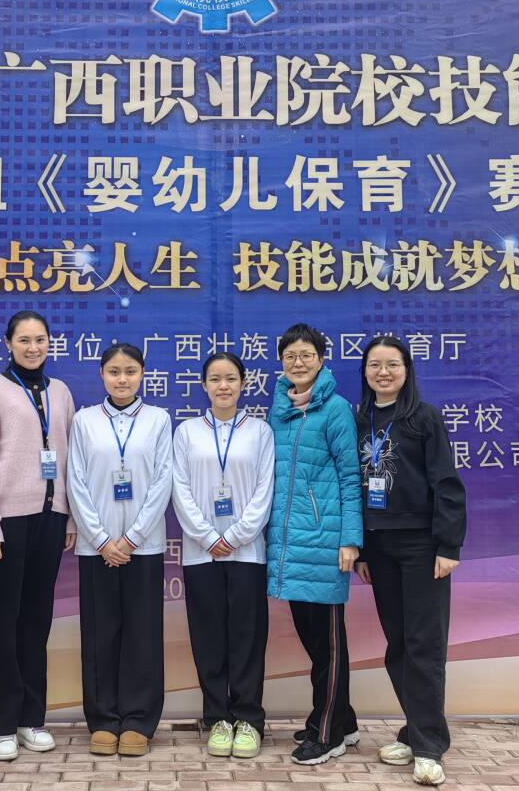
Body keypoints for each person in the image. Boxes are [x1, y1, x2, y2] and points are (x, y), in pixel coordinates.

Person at [354, 336, 466, 788]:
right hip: (379, 549)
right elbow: (354, 486)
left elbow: (447, 484)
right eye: (375, 365)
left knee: (425, 645)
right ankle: (416, 730)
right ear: (365, 372)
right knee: (398, 645)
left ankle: (428, 748)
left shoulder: (424, 417)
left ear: (407, 370)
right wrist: (362, 550)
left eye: (392, 365)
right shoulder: (359, 419)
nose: (383, 372)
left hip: (422, 547)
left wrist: (448, 546)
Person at [0, 311, 77, 761]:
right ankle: (1, 724)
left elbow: (69, 458)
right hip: (7, 523)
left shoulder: (60, 392)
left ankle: (32, 718)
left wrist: (69, 518)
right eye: (24, 340)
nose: (33, 348)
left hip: (51, 519)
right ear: (8, 344)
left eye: (40, 340)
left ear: (50, 343)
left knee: (36, 622)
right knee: (1, 624)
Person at [66, 343, 174, 756]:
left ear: (143, 374)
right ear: (102, 375)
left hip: (142, 547)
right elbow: (76, 481)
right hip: (97, 548)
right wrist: (101, 539)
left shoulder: (159, 420)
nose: (122, 379)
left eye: (130, 371)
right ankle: (103, 719)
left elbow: (163, 480)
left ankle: (138, 720)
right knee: (100, 634)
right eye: (114, 371)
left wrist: (131, 539)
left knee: (142, 634)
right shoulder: (85, 421)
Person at [265, 323, 363, 766]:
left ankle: (327, 734)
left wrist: (350, 540)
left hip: (325, 544)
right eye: (290, 356)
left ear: (321, 360)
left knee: (328, 646)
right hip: (289, 545)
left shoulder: (336, 409)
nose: (298, 363)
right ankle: (345, 719)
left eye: (306, 355)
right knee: (314, 642)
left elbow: (350, 476)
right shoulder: (278, 410)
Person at [172, 352, 276, 759]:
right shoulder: (186, 432)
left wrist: (234, 536)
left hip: (247, 552)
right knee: (208, 636)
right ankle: (216, 717)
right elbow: (179, 489)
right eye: (215, 379)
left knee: (248, 637)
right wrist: (206, 535)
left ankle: (248, 719)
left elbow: (265, 490)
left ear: (243, 383)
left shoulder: (260, 431)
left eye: (231, 378)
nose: (223, 386)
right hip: (201, 554)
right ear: (204, 385)